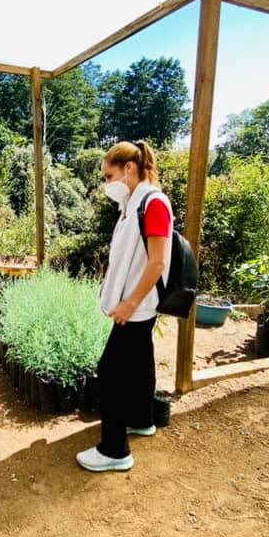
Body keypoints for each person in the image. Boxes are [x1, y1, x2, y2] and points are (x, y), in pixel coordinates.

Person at [76, 140, 172, 473]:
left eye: (108, 176)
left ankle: (115, 450)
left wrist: (130, 303)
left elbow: (158, 262)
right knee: (141, 360)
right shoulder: (134, 204)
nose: (106, 184)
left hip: (137, 306)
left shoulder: (153, 203)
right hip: (137, 305)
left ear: (128, 169)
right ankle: (142, 419)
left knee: (111, 371)